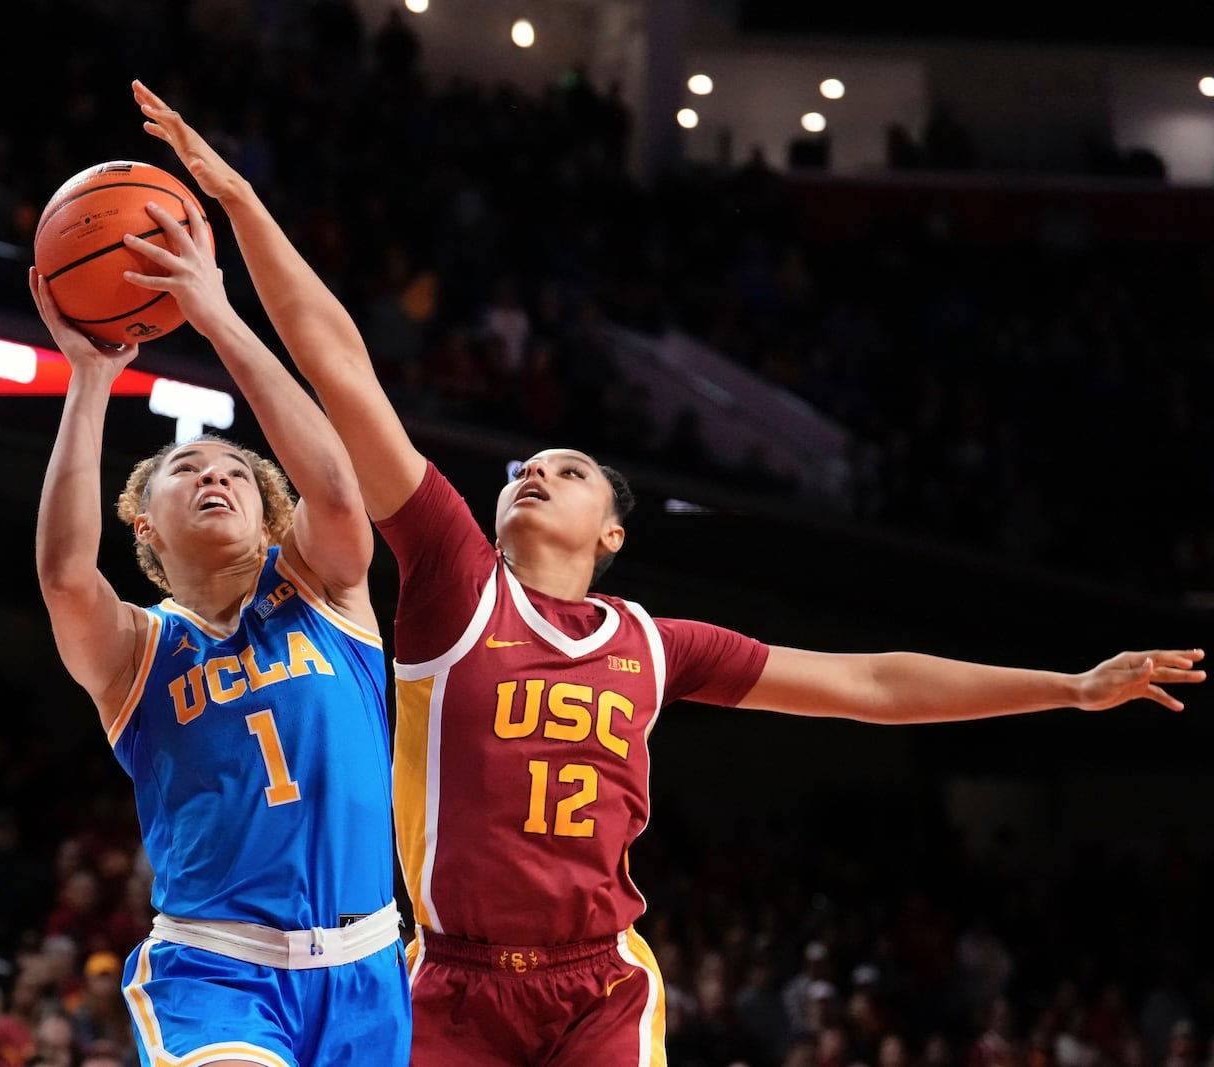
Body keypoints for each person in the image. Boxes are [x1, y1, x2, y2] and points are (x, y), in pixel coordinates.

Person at [131, 82, 1207, 1067]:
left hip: (598, 977)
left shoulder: (654, 643)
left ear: (611, 533)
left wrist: (1064, 686)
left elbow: (870, 685)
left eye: (565, 469)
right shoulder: (456, 577)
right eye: (523, 465)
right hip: (450, 979)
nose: (530, 472)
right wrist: (236, 199)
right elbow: (340, 364)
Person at [27, 129, 410, 1064]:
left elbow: (334, 487)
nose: (216, 475)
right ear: (144, 527)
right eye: (186, 468)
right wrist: (88, 383)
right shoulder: (137, 651)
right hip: (215, 967)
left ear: (267, 509)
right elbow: (67, 574)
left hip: (372, 965)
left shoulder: (324, 586)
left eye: (235, 467)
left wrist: (216, 315)